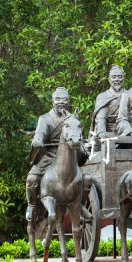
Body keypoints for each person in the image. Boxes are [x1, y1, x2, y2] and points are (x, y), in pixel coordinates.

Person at [26, 87, 88, 220]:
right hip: (49, 155)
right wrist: (37, 141)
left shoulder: (72, 118)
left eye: (65, 99)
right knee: (31, 178)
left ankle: (80, 205)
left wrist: (83, 146)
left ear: (69, 102)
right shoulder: (45, 118)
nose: (61, 102)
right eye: (58, 99)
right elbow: (40, 134)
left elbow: (78, 135)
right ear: (52, 101)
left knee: (86, 179)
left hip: (70, 155)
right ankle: (31, 205)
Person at [90, 65, 125, 138]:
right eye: (114, 77)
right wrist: (102, 132)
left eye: (119, 77)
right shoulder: (103, 96)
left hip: (127, 131)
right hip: (108, 132)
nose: (117, 79)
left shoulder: (129, 95)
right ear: (109, 79)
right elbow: (101, 117)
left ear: (124, 78)